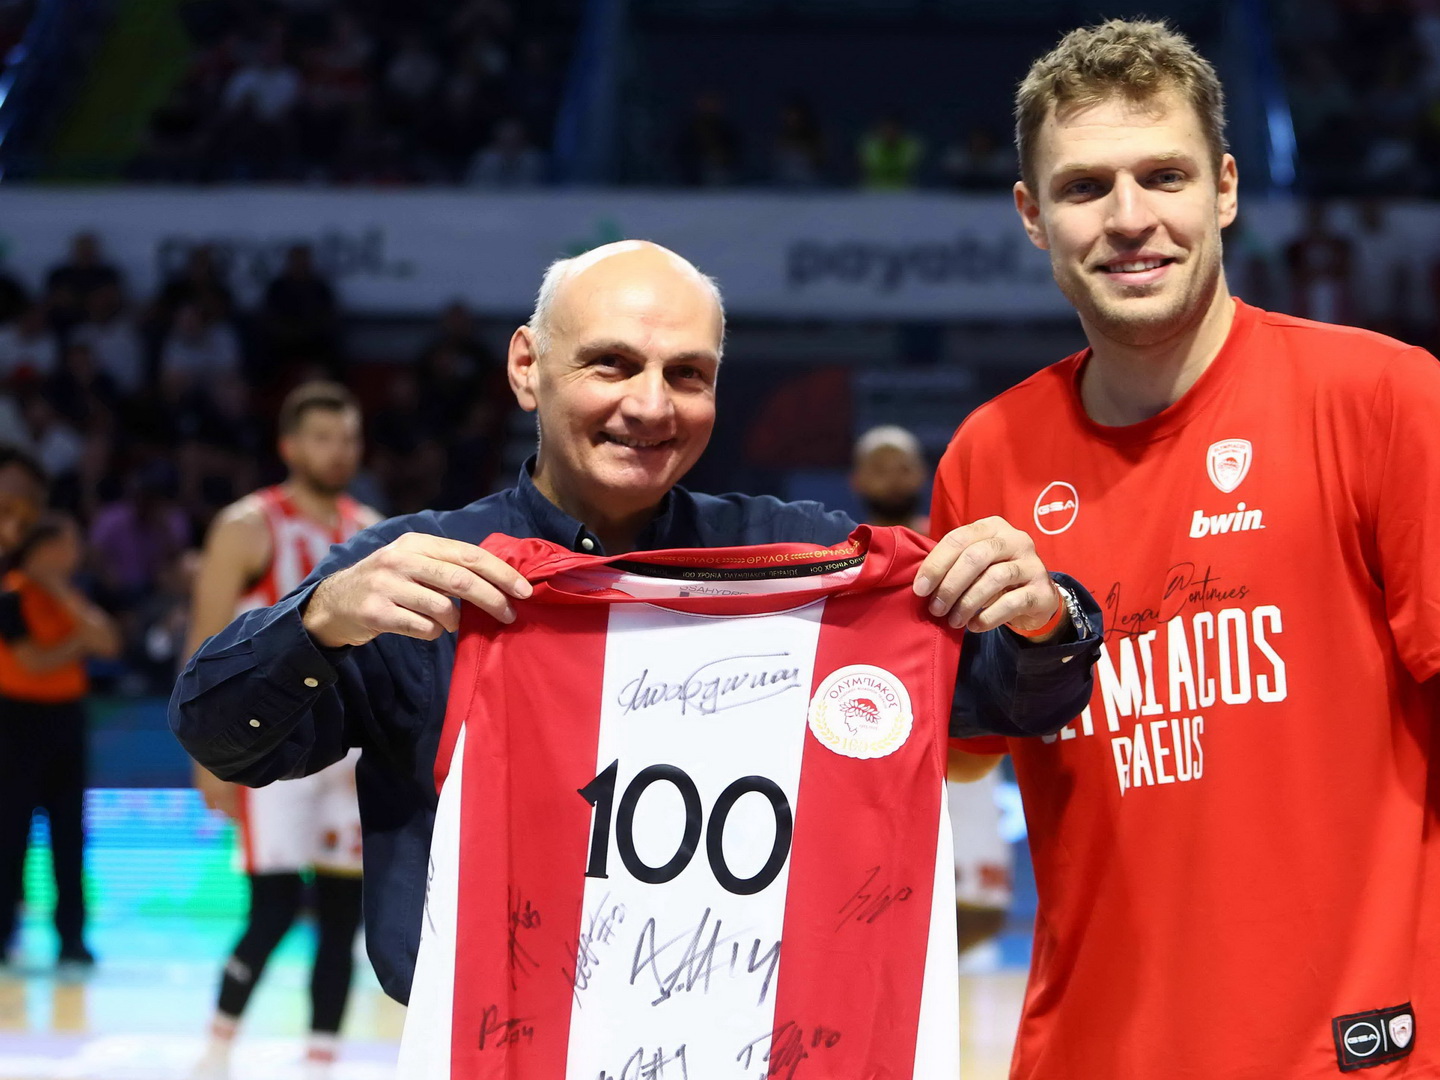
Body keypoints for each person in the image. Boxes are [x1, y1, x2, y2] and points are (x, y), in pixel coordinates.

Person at [170, 241, 1104, 1010]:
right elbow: (222, 734)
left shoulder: (803, 560)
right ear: (527, 367)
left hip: (745, 1043)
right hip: (492, 1051)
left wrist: (1044, 614)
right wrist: (316, 623)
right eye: (612, 363)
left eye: (686, 374)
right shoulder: (412, 573)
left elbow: (1013, 695)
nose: (651, 405)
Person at [936, 21, 1440, 1080]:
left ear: (1227, 189)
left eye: (1165, 176)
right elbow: (963, 756)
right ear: (1031, 216)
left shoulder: (1380, 396)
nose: (1130, 219)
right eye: (1085, 188)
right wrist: (1014, 650)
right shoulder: (988, 454)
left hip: (1381, 1054)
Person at [187, 383, 381, 1078]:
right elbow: (205, 639)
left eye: (349, 438)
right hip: (270, 747)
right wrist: (206, 755)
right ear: (289, 447)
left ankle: (320, 1062)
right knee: (271, 910)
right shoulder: (248, 524)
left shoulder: (373, 528)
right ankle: (216, 1053)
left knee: (343, 915)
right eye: (323, 438)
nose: (339, 452)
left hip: (348, 750)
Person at [852, 424, 1013, 955]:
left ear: (920, 475)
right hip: (872, 741)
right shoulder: (835, 551)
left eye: (901, 466)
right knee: (867, 904)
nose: (891, 477)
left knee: (977, 909)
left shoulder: (954, 549)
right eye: (879, 467)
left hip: (954, 740)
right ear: (857, 479)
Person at [0, 512, 119, 968]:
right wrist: (78, 644)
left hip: (66, 722)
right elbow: (31, 662)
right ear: (43, 548)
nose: (75, 553)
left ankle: (72, 938)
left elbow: (108, 642)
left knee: (70, 835)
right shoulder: (10, 596)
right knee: (9, 834)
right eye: (67, 544)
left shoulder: (71, 596)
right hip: (16, 725)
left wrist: (62, 596)